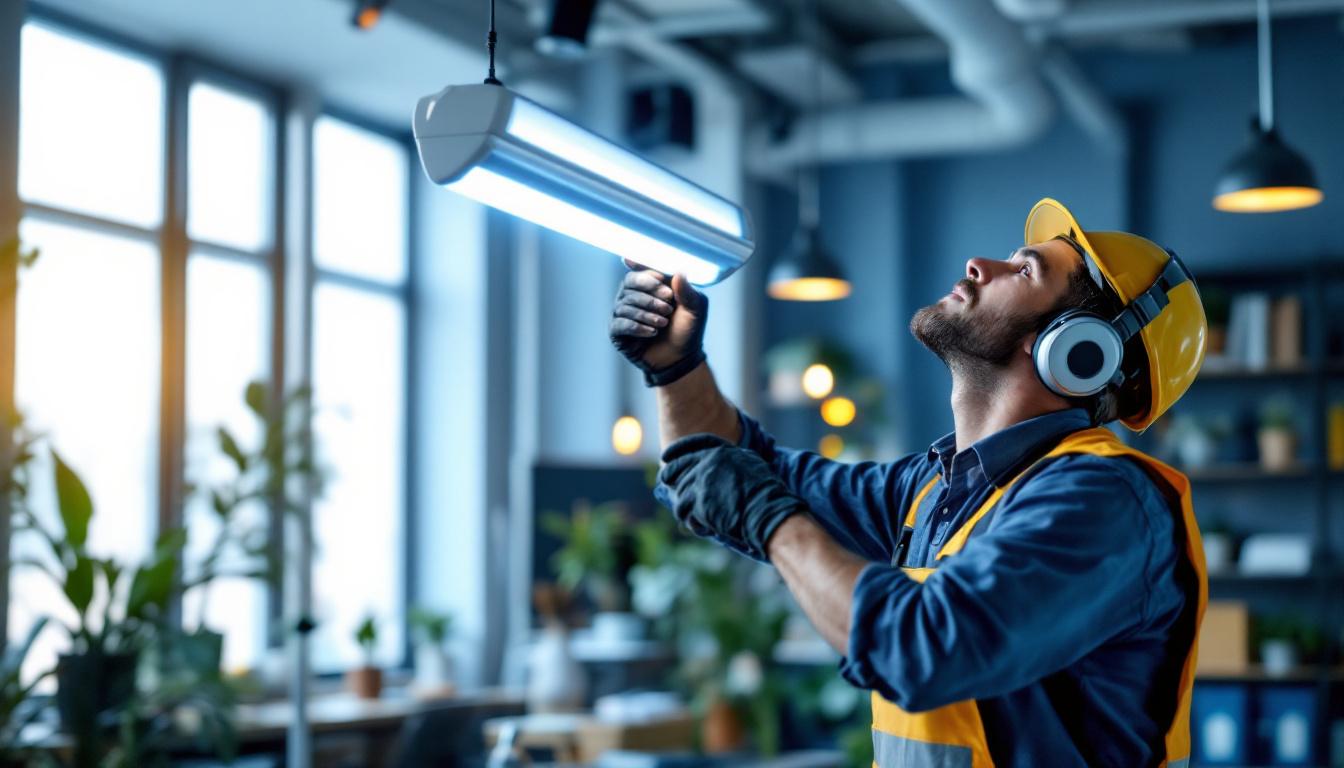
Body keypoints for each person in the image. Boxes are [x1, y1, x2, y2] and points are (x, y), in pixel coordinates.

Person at [609, 198, 1208, 767]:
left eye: (1025, 270)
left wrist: (771, 522)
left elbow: (923, 650)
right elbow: (741, 464)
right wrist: (675, 368)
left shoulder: (1102, 501)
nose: (980, 264)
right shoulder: (933, 492)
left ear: (1080, 350)